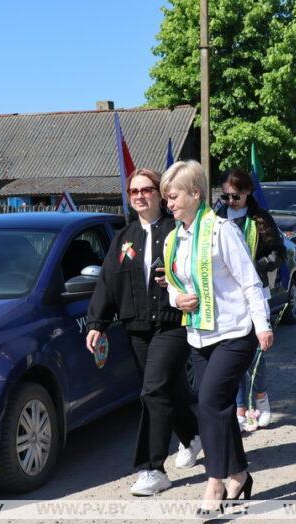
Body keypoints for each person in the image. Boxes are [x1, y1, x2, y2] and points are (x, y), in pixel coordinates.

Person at [161, 160, 272, 517]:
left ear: (196, 194)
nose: (169, 203)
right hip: (199, 333)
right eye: (166, 197)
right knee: (219, 407)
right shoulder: (175, 237)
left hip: (235, 331)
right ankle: (239, 474)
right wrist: (178, 299)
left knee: (209, 402)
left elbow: (249, 280)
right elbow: (173, 287)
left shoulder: (222, 231)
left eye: (173, 195)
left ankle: (216, 481)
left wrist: (262, 324)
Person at [86, 168, 201, 497]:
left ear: (160, 194)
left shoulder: (178, 231)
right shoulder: (124, 237)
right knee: (169, 389)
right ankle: (192, 436)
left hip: (173, 323)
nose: (139, 196)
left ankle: (151, 468)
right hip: (137, 328)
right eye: (134, 191)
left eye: (146, 190)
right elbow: (108, 282)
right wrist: (97, 323)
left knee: (152, 392)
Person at [215, 169, 286, 432]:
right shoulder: (217, 217)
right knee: (234, 354)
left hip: (255, 291)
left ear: (247, 192)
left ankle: (261, 398)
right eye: (225, 196)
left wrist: (252, 266)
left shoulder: (259, 218)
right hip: (226, 297)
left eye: (235, 196)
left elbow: (279, 253)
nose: (230, 201)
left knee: (256, 352)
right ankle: (240, 408)